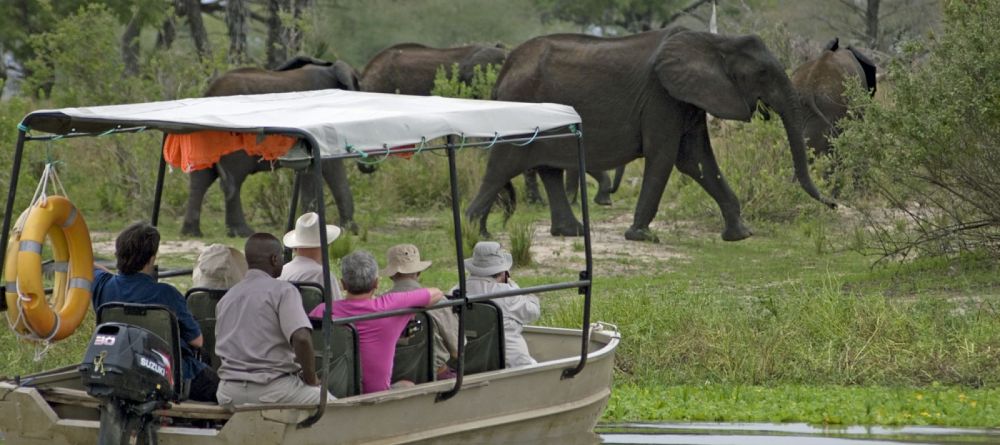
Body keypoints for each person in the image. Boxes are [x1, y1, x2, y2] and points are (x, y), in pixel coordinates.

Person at [90, 221, 219, 402]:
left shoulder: (102, 285)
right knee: (219, 387)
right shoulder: (167, 294)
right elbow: (197, 341)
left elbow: (87, 265)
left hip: (121, 368)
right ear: (151, 259)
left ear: (117, 253)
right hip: (172, 375)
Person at [215, 233, 330, 407]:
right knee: (331, 404)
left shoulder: (227, 298)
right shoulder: (284, 291)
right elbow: (301, 338)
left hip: (228, 393)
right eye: (283, 256)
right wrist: (311, 378)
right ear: (275, 259)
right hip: (272, 389)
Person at [309, 250, 443, 394]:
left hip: (333, 393)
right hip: (375, 396)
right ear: (377, 283)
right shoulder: (390, 306)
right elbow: (436, 293)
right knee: (407, 384)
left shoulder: (321, 311)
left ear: (343, 284)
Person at [458, 241, 540, 368]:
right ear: (502, 272)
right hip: (510, 361)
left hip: (469, 362)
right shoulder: (506, 293)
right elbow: (533, 312)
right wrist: (513, 285)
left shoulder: (456, 291)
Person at [384, 244, 459, 380]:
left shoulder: (380, 304)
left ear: (391, 275)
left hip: (391, 376)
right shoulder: (438, 301)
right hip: (433, 375)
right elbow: (457, 350)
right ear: (419, 272)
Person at [278, 212, 344, 301]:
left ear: (295, 246)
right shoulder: (324, 276)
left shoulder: (281, 273)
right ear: (326, 244)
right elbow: (336, 308)